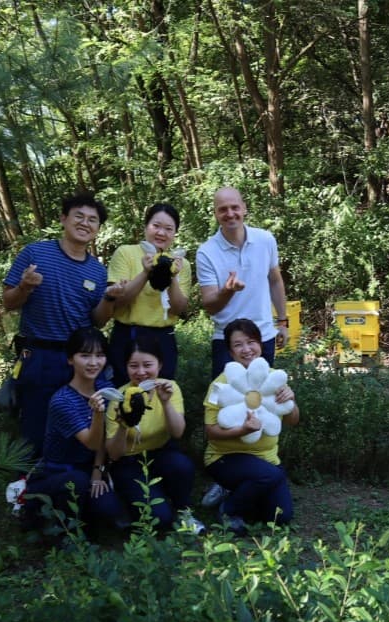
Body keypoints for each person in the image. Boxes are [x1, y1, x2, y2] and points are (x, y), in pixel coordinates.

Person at [2, 192, 126, 457]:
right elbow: (8, 302)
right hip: (39, 355)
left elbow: (98, 321)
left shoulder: (97, 270)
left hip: (80, 359)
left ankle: (79, 479)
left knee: (85, 418)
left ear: (97, 229)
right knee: (36, 422)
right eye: (78, 216)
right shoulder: (35, 253)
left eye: (92, 220)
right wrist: (24, 286)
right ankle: (30, 486)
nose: (85, 223)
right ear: (63, 219)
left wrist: (109, 298)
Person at [203, 318, 299, 535]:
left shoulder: (273, 378)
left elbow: (293, 420)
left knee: (280, 517)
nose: (246, 349)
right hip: (225, 458)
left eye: (251, 342)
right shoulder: (220, 385)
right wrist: (243, 431)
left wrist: (291, 402)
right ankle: (228, 510)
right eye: (238, 345)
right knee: (271, 476)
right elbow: (210, 432)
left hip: (266, 458)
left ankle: (235, 491)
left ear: (260, 344)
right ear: (230, 351)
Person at [22, 328, 123, 532]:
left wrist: (98, 473)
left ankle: (83, 514)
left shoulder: (106, 388)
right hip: (59, 472)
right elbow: (92, 442)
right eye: (85, 355)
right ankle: (57, 525)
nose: (93, 363)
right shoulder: (62, 401)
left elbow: (104, 440)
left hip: (90, 467)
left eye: (100, 355)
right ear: (70, 359)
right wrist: (98, 414)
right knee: (76, 482)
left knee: (108, 510)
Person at [105, 336, 205, 534]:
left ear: (159, 365)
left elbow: (177, 432)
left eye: (147, 365)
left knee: (181, 466)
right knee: (160, 520)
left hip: (161, 453)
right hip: (128, 462)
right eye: (134, 366)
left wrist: (166, 402)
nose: (141, 372)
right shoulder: (118, 397)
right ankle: (126, 499)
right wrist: (124, 425)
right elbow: (114, 454)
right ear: (126, 367)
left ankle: (183, 510)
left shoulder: (170, 388)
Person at [196, 188, 290, 379]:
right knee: (225, 402)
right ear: (215, 213)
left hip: (263, 337)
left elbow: (275, 281)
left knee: (262, 400)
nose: (230, 214)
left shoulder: (265, 240)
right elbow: (210, 306)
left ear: (244, 208)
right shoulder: (206, 252)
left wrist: (282, 322)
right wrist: (228, 291)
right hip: (227, 342)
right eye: (223, 209)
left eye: (234, 207)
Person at [106, 203, 191, 387]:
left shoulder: (181, 262)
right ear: (145, 226)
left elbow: (180, 309)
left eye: (169, 229)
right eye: (156, 226)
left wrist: (173, 277)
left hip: (163, 338)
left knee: (162, 393)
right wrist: (145, 273)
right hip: (128, 335)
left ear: (175, 233)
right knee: (124, 394)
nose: (161, 233)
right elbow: (118, 301)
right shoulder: (125, 253)